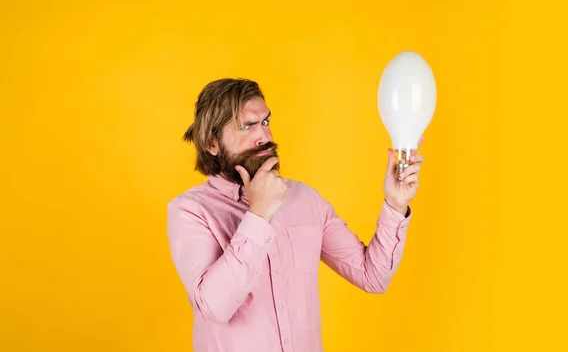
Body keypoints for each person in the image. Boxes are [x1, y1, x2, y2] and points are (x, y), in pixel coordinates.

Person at [166, 78, 424, 352]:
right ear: (211, 143)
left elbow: (373, 276)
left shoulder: (305, 200)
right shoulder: (190, 211)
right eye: (247, 126)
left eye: (265, 122)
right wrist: (259, 214)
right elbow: (215, 306)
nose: (264, 136)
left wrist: (395, 205)